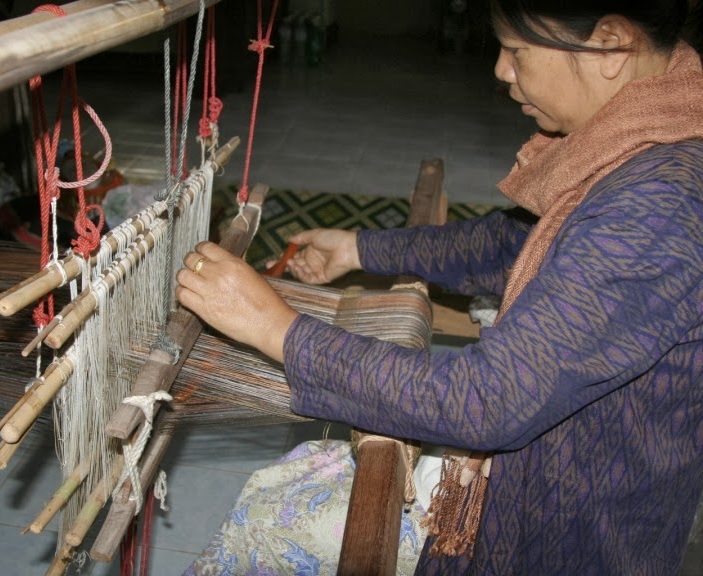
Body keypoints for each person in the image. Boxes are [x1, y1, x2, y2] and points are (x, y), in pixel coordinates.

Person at [175, 1, 703, 574]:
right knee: (284, 480)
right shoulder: (649, 138)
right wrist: (359, 248)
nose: (502, 70)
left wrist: (273, 327)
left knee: (263, 522)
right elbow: (514, 245)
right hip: (557, 490)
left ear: (609, 44)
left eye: (518, 50)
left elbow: (486, 400)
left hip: (564, 535)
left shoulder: (659, 205)